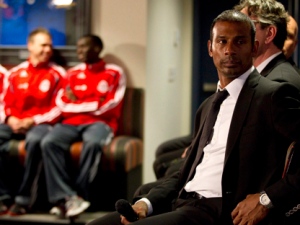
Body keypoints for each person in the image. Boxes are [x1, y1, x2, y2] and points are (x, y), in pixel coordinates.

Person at [87, 10, 300, 225]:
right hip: (181, 202)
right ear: (210, 48)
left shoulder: (273, 95)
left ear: (254, 47)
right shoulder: (208, 106)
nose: (229, 50)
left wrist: (266, 199)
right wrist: (147, 203)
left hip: (217, 211)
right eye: (222, 42)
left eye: (239, 42)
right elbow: (186, 170)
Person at [40, 34, 126, 218]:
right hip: (71, 123)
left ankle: (77, 196)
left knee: (93, 144)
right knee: (49, 142)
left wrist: (78, 104)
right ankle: (67, 197)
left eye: (83, 47)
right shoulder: (72, 73)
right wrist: (94, 102)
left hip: (101, 123)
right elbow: (62, 103)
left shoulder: (114, 72)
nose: (78, 51)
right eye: (77, 47)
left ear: (96, 48)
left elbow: (111, 104)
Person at [0, 28, 66, 216]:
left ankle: (24, 199)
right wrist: (10, 118)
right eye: (43, 45)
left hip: (41, 124)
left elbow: (59, 107)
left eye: (50, 46)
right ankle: (3, 196)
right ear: (30, 46)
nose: (48, 49)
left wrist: (33, 120)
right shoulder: (15, 73)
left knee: (36, 142)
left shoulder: (57, 73)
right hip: (14, 122)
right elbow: (4, 102)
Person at [234, 0, 300, 89]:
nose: (235, 33)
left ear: (269, 34)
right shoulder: (256, 76)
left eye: (245, 24)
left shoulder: (280, 84)